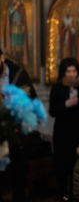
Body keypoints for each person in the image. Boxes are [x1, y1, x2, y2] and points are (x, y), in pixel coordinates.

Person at [49, 58, 79, 202]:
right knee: (61, 164)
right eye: (68, 71)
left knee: (77, 164)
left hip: (78, 130)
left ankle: (76, 195)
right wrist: (66, 104)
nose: (72, 74)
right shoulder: (57, 88)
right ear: (63, 73)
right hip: (62, 131)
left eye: (74, 71)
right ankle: (63, 194)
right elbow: (52, 111)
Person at [0, 49, 36, 202]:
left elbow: (31, 99)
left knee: (19, 173)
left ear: (2, 58)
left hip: (17, 132)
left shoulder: (18, 74)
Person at [5, 0, 28, 66]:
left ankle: (19, 63)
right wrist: (15, 7)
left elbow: (24, 17)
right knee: (14, 46)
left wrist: (23, 25)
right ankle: (13, 63)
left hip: (20, 28)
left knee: (20, 47)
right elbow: (9, 14)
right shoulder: (11, 4)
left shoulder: (21, 5)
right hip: (13, 28)